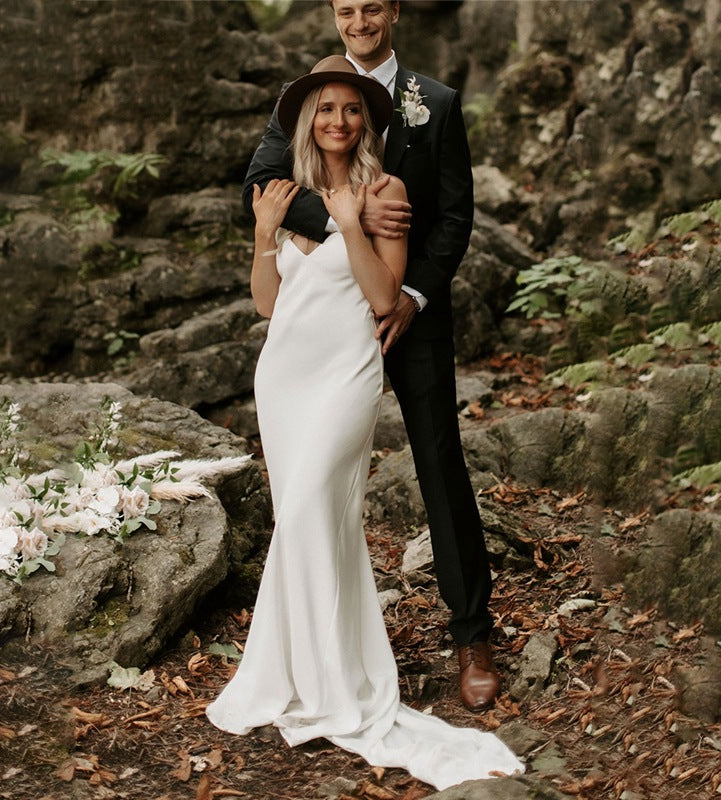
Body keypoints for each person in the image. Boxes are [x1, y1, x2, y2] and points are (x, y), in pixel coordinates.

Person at [206, 55, 523, 790]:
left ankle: (456, 641)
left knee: (360, 486)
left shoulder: (412, 143)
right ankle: (304, 666)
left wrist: (366, 238)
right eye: (326, 112)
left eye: (350, 110)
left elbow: (440, 230)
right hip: (286, 372)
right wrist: (269, 230)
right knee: (302, 517)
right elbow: (265, 291)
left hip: (359, 355)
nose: (338, 120)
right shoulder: (290, 170)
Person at [242, 0, 500, 712]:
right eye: (346, 9)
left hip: (404, 315)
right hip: (323, 327)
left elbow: (454, 214)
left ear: (393, 12)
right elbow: (260, 184)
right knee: (311, 481)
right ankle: (316, 645)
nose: (359, 21)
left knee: (440, 461)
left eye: (371, 8)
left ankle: (473, 632)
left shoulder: (435, 103)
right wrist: (342, 216)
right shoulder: (307, 98)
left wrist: (413, 293)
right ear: (334, 15)